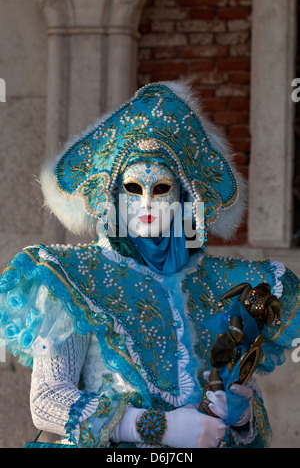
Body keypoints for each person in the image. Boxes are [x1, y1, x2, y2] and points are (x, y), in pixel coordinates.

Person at [0, 80, 299, 448]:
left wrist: (239, 416)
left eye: (160, 189)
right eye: (131, 189)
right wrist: (155, 428)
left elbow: (243, 400)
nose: (145, 205)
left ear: (183, 195)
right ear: (112, 194)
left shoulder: (216, 285)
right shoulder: (75, 276)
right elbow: (47, 402)